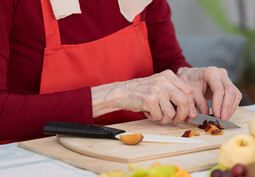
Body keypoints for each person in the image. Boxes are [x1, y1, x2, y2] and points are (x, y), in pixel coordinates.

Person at [0, 0, 242, 143]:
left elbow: (164, 60)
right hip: (36, 163)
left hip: (134, 153)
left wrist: (185, 77)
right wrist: (115, 95)